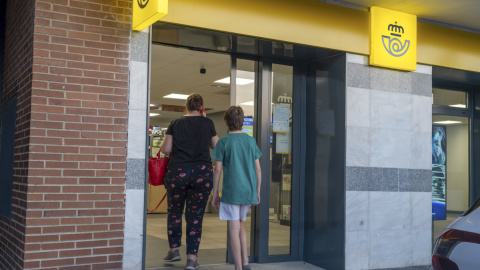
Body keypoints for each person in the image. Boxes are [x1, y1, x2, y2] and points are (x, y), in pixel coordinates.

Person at [160, 93, 219, 270]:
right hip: (202, 173)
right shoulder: (207, 123)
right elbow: (217, 147)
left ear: (186, 106)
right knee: (195, 217)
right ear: (201, 107)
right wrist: (204, 126)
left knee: (175, 212)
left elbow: (166, 149)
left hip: (178, 172)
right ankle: (192, 259)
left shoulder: (175, 122)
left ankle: (174, 249)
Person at [211, 106, 262, 270]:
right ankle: (245, 262)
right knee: (241, 224)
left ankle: (238, 267)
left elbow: (217, 169)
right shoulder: (251, 141)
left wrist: (215, 193)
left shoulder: (223, 142)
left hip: (232, 192)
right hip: (248, 191)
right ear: (242, 122)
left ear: (226, 122)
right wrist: (257, 191)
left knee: (233, 227)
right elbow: (258, 169)